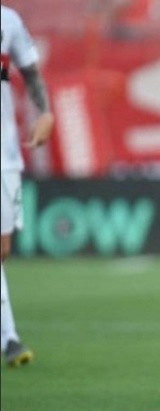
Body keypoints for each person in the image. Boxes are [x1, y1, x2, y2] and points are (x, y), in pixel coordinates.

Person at [1, 5, 54, 367]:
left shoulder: (8, 21)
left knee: (2, 249)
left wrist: (45, 112)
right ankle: (9, 338)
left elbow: (31, 73)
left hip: (4, 152)